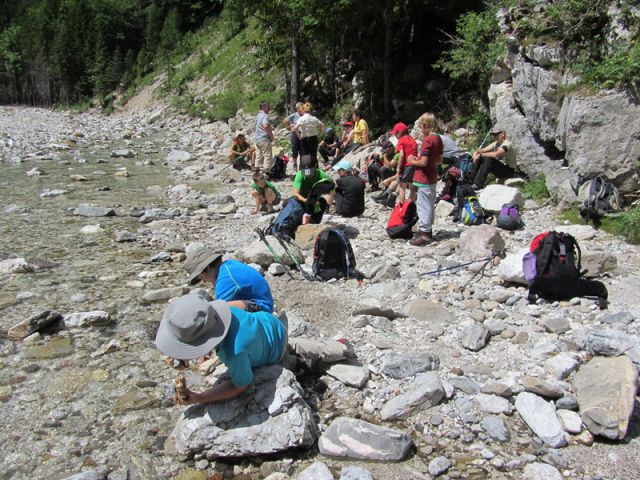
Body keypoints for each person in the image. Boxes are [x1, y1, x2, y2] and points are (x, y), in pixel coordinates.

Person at [155, 292, 352, 404]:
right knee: (293, 343)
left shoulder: (234, 352)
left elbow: (240, 385)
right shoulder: (222, 314)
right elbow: (243, 308)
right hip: (272, 325)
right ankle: (340, 348)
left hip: (273, 353)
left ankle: (307, 365)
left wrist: (200, 397)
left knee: (293, 361)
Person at [184, 247, 274, 313]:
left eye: (201, 277)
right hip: (264, 304)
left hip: (263, 312)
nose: (204, 281)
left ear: (207, 268)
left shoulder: (224, 279)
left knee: (216, 308)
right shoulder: (229, 265)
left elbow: (218, 310)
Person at [408, 112, 443, 247]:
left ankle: (425, 233)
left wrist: (412, 160)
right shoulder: (438, 139)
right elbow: (439, 160)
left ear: (426, 125)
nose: (421, 130)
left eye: (422, 126)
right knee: (429, 203)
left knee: (423, 206)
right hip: (433, 176)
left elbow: (423, 162)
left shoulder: (428, 140)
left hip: (424, 178)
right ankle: (427, 229)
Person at [292, 155, 335, 224]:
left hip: (314, 200)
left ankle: (313, 223)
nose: (307, 174)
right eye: (305, 171)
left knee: (323, 202)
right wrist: (306, 201)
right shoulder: (300, 175)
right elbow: (295, 194)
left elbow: (331, 190)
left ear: (315, 166)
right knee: (292, 202)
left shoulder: (321, 175)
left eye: (309, 171)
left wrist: (326, 204)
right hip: (301, 200)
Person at [391, 122, 419, 206]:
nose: (395, 136)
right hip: (414, 165)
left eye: (395, 133)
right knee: (412, 186)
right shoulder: (412, 140)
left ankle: (401, 206)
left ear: (399, 132)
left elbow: (402, 154)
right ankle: (412, 204)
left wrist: (399, 168)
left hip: (407, 165)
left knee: (402, 186)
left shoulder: (401, 140)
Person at [283, 102, 304, 173]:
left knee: (303, 151)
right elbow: (285, 121)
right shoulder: (294, 115)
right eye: (298, 108)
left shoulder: (305, 115)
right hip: (295, 134)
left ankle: (302, 166)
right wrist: (289, 129)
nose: (300, 109)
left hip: (303, 134)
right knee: (294, 150)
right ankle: (295, 164)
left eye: (301, 108)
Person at [254, 101, 274, 172]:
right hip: (264, 138)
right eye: (268, 107)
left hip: (257, 139)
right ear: (264, 107)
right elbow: (265, 125)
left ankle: (257, 171)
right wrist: (271, 136)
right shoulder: (265, 116)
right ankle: (266, 172)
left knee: (259, 155)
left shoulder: (258, 115)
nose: (269, 109)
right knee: (267, 156)